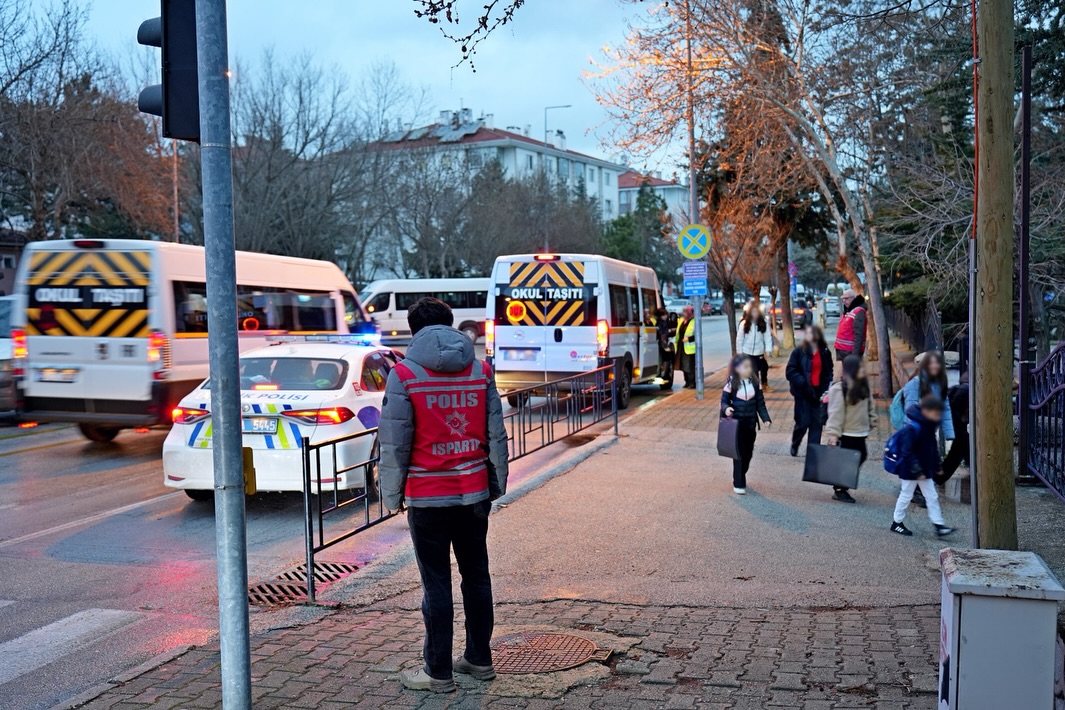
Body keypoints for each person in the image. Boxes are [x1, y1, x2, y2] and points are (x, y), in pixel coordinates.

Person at [379, 297, 510, 693]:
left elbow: (394, 442)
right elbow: (496, 433)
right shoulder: (480, 370)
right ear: (450, 325)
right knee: (476, 577)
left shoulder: (403, 375)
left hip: (427, 497)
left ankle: (438, 673)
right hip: (473, 495)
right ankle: (479, 659)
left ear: (414, 330)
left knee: (436, 584)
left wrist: (391, 494)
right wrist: (496, 483)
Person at [889, 394, 956, 537]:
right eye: (935, 413)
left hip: (923, 470)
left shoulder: (927, 426)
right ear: (925, 411)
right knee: (906, 495)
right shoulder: (912, 428)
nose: (938, 416)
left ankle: (938, 525)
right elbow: (907, 452)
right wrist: (917, 469)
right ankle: (897, 522)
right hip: (911, 470)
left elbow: (932, 449)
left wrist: (937, 465)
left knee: (931, 496)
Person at [900, 350, 955, 507]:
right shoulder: (914, 384)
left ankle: (917, 490)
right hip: (916, 431)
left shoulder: (939, 384)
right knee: (915, 458)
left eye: (937, 363)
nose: (934, 366)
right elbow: (910, 410)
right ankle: (913, 493)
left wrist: (949, 432)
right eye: (931, 363)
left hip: (930, 430)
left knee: (926, 458)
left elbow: (945, 408)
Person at [824, 355, 877, 503]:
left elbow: (870, 406)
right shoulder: (839, 388)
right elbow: (835, 413)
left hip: (860, 431)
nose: (863, 370)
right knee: (849, 460)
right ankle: (840, 489)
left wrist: (872, 421)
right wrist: (833, 434)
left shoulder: (863, 385)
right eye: (860, 367)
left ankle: (841, 485)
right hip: (846, 432)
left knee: (861, 456)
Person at [720, 354, 772, 495]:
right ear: (737, 368)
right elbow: (723, 402)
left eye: (749, 366)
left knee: (748, 453)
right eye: (745, 366)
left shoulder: (755, 383)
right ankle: (738, 482)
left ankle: (741, 473)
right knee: (739, 454)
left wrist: (766, 418)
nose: (748, 369)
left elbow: (760, 404)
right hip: (736, 425)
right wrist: (727, 409)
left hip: (750, 424)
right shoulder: (731, 384)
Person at [786, 324, 833, 457]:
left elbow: (829, 371)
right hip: (803, 393)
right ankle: (795, 443)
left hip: (819, 393)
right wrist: (801, 382)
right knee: (803, 422)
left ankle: (812, 453)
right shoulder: (798, 352)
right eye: (808, 334)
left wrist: (827, 387)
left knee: (817, 424)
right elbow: (790, 371)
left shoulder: (824, 351)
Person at [939, 372, 969, 483]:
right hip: (957, 421)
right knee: (959, 448)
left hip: (955, 419)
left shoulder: (961, 388)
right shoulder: (965, 391)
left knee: (960, 448)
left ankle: (939, 476)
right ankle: (938, 476)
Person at [737, 302, 773, 390]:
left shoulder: (763, 323)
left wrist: (768, 350)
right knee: (754, 370)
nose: (755, 314)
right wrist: (740, 352)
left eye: (756, 312)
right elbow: (739, 339)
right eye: (753, 312)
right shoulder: (744, 324)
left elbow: (767, 337)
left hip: (759, 351)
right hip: (747, 352)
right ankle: (756, 389)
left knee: (764, 367)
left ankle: (764, 383)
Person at [834, 289, 868, 362]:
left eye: (846, 298)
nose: (844, 301)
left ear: (853, 298)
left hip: (850, 352)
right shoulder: (849, 310)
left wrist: (855, 355)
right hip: (845, 351)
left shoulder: (859, 311)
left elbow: (859, 335)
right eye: (843, 299)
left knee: (851, 373)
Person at [676, 305, 697, 389]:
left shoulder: (694, 321)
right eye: (683, 312)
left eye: (685, 312)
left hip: (690, 348)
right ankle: (687, 381)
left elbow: (697, 335)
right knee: (683, 366)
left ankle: (692, 382)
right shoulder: (681, 321)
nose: (683, 313)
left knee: (690, 366)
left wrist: (689, 339)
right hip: (681, 346)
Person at [654, 307, 675, 387]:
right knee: (661, 360)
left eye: (666, 314)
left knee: (664, 360)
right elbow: (661, 335)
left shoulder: (665, 322)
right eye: (664, 315)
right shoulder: (660, 323)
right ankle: (660, 373)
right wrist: (665, 345)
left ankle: (660, 373)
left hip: (663, 344)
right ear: (660, 316)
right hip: (661, 345)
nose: (665, 316)